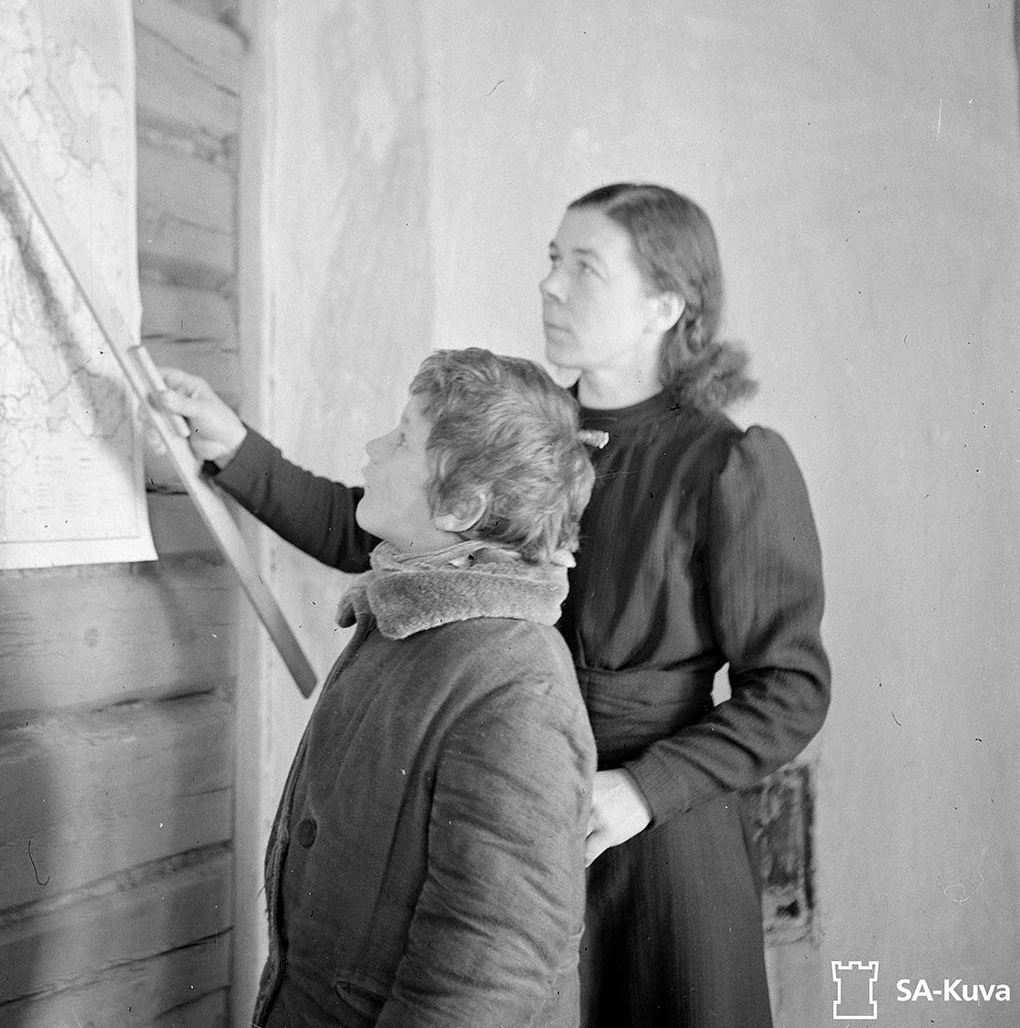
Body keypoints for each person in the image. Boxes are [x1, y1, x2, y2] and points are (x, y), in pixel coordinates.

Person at [159, 349, 598, 1028]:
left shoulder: (517, 690)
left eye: (401, 438)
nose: (373, 446)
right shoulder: (425, 614)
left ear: (461, 505)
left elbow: (485, 977)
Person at [539, 183, 830, 1028]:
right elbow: (383, 530)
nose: (552, 286)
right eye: (551, 261)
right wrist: (237, 454)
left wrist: (640, 789)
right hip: (525, 814)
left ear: (666, 303)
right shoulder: (527, 435)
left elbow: (791, 690)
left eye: (584, 267)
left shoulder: (729, 465)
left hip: (664, 846)